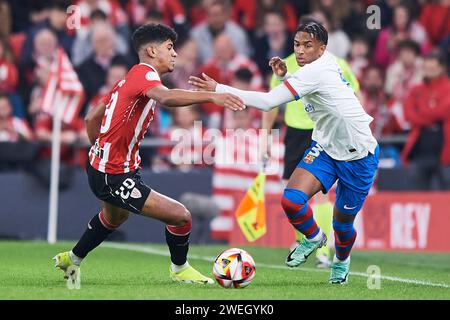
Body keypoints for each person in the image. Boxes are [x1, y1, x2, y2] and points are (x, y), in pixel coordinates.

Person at [52, 23, 244, 285]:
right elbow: (165, 98)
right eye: (169, 47)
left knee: (114, 217)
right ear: (152, 51)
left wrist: (100, 151)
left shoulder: (128, 78)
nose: (175, 53)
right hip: (113, 173)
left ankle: (72, 259)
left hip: (108, 167)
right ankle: (180, 269)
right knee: (181, 216)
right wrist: (211, 97)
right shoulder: (144, 76)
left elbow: (91, 118)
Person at [189, 21, 379, 284]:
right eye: (297, 45)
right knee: (291, 199)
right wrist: (284, 78)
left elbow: (268, 102)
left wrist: (219, 89)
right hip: (326, 147)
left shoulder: (315, 72)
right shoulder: (321, 65)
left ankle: (341, 261)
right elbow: (314, 91)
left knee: (343, 224)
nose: (299, 51)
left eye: (307, 45)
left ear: (322, 49)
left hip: (359, 155)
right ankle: (314, 238)